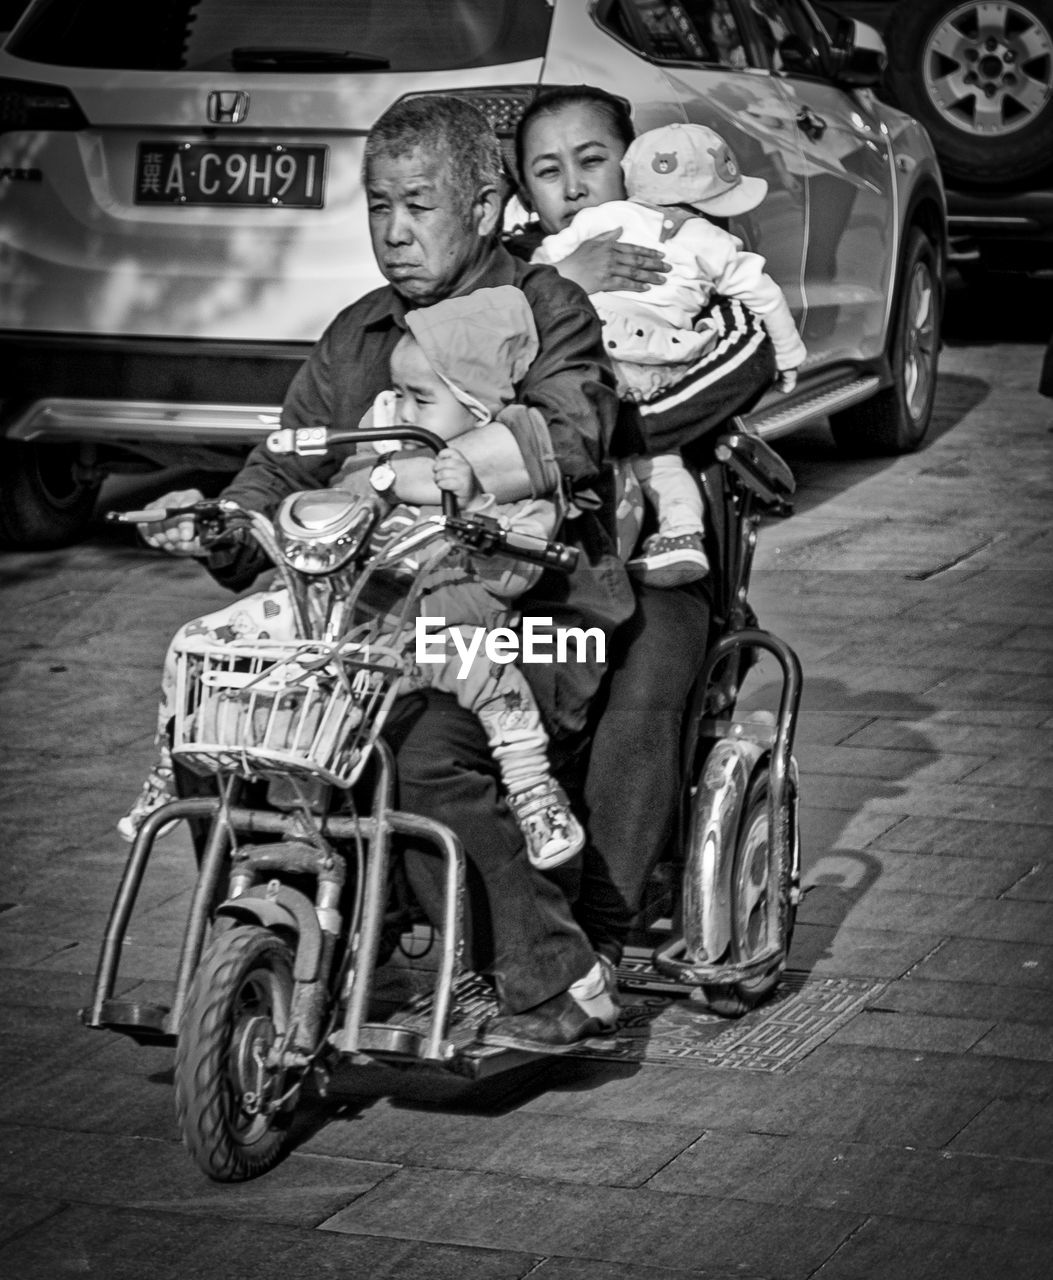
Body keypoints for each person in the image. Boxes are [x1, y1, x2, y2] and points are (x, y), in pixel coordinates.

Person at [139, 95, 634, 1050]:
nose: (394, 233)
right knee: (224, 726)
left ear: (486, 206)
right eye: (377, 208)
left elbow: (571, 432)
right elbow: (282, 468)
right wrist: (218, 523)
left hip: (531, 610)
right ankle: (266, 943)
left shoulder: (545, 309)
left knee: (417, 741)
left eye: (418, 206)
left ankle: (550, 980)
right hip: (373, 617)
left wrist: (453, 472)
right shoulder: (357, 331)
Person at [120, 285, 586, 871]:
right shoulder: (381, 456)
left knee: (495, 680)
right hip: (346, 626)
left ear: (479, 410)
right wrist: (237, 522)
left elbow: (516, 571)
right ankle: (169, 770)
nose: (400, 409)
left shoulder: (510, 489)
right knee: (201, 643)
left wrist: (469, 510)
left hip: (433, 639)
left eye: (420, 399)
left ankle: (535, 795)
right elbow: (328, 506)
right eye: (396, 393)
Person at [513, 85, 778, 971]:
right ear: (524, 193)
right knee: (496, 678)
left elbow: (750, 359)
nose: (576, 188)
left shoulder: (705, 269)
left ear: (634, 164)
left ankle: (601, 929)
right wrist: (558, 293)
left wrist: (589, 433)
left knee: (642, 694)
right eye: (548, 172)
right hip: (535, 566)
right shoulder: (520, 280)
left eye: (593, 161)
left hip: (664, 564)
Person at [533, 120, 806, 586]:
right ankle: (680, 534)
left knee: (594, 440)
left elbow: (539, 269)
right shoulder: (716, 243)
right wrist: (789, 356)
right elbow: (767, 298)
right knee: (661, 458)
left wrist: (564, 274)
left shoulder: (600, 222)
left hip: (590, 345)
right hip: (656, 358)